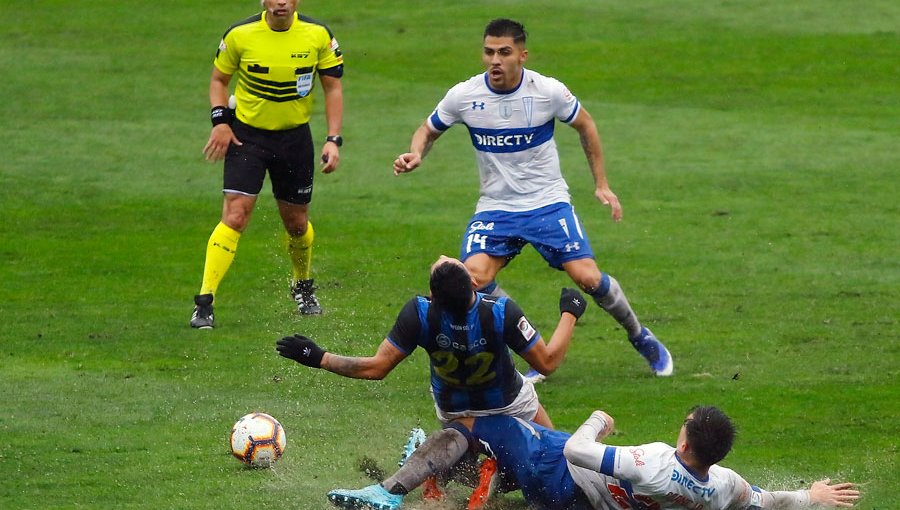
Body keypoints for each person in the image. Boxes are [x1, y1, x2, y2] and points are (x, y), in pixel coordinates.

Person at [392, 18, 672, 377]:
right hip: (495, 207)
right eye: (489, 51)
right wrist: (416, 153)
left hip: (547, 202)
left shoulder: (548, 91)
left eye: (504, 52)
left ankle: (639, 335)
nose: (495, 60)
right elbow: (427, 130)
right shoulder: (464, 95)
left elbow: (585, 124)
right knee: (473, 279)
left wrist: (601, 184)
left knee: (587, 278)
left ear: (522, 55)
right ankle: (534, 347)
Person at [327, 406, 860, 510]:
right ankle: (439, 475)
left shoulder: (652, 461)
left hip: (562, 471)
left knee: (477, 425)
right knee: (504, 459)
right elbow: (766, 500)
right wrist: (811, 497)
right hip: (582, 502)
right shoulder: (721, 488)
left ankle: (396, 491)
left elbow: (582, 449)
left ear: (684, 445)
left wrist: (598, 421)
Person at [276, 255, 588, 429]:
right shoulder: (500, 312)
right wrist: (569, 313)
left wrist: (318, 357)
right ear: (474, 286)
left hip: (455, 412)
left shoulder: (421, 314)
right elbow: (547, 362)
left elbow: (376, 368)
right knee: (555, 458)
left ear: (434, 296)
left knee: (464, 475)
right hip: (510, 403)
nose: (442, 258)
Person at [190, 0, 344, 329]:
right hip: (247, 137)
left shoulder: (317, 35)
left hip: (294, 140)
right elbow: (219, 80)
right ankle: (205, 301)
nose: (281, 2)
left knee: (297, 225)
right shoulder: (240, 35)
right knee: (235, 214)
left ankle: (302, 285)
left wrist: (333, 139)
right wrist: (220, 121)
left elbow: (333, 87)